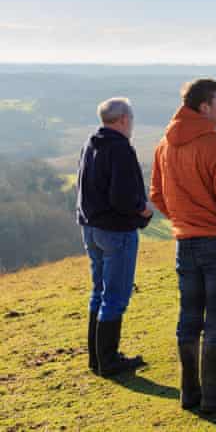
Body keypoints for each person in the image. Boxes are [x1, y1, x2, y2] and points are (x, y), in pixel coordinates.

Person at [150, 78, 216, 413]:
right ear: (203, 107)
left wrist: (184, 220)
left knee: (189, 319)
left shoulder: (163, 148)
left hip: (185, 244)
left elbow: (157, 195)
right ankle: (214, 396)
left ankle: (190, 393)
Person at [77, 97, 152, 376]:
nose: (131, 124)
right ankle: (109, 362)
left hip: (90, 227)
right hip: (116, 231)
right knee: (116, 296)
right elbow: (123, 197)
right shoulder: (120, 148)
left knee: (99, 292)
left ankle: (97, 359)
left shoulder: (90, 143)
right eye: (130, 119)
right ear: (123, 120)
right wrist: (142, 210)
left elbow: (83, 186)